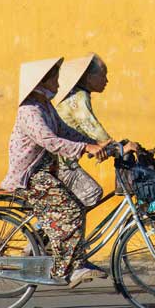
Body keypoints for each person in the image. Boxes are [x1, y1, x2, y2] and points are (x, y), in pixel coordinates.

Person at [0, 57, 119, 287]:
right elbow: (50, 141)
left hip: (46, 171)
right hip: (30, 176)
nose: (58, 82)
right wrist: (85, 148)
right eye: (54, 78)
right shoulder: (30, 111)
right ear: (42, 81)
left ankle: (74, 259)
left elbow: (65, 131)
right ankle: (66, 269)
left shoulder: (45, 106)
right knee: (71, 210)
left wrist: (93, 143)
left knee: (78, 204)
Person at [53, 54, 113, 208]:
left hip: (62, 159)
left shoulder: (75, 94)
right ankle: (57, 221)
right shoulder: (78, 97)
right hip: (61, 164)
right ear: (89, 77)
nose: (106, 80)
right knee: (92, 192)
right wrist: (117, 147)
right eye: (103, 75)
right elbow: (91, 127)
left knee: (76, 200)